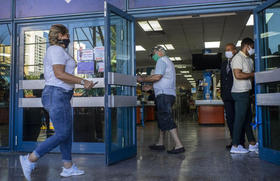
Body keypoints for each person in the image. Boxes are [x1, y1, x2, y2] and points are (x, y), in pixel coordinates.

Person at [19, 24, 95, 180]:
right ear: (60, 35)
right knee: (62, 133)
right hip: (56, 93)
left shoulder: (60, 51)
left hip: (61, 94)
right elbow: (59, 74)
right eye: (66, 35)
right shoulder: (55, 50)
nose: (68, 38)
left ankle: (67, 167)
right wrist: (82, 81)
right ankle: (29, 159)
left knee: (66, 133)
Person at [137, 46, 185, 154]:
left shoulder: (161, 60)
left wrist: (142, 79)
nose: (153, 56)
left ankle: (179, 145)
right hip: (167, 94)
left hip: (164, 95)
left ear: (159, 52)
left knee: (166, 118)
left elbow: (157, 77)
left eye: (153, 53)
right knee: (161, 118)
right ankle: (160, 143)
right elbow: (164, 80)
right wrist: (152, 88)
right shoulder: (168, 61)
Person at [230, 37, 258, 154]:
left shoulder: (249, 60)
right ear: (247, 46)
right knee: (239, 119)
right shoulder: (238, 58)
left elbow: (249, 77)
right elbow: (238, 75)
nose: (253, 49)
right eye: (252, 47)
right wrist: (253, 74)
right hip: (239, 92)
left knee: (247, 119)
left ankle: (252, 144)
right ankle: (235, 146)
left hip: (246, 92)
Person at [221, 43, 245, 149]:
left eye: (229, 49)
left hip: (237, 94)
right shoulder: (223, 64)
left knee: (238, 118)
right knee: (230, 119)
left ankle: (241, 141)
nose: (228, 52)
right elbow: (222, 80)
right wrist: (222, 94)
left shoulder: (238, 61)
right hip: (226, 96)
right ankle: (234, 140)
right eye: (226, 50)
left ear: (235, 50)